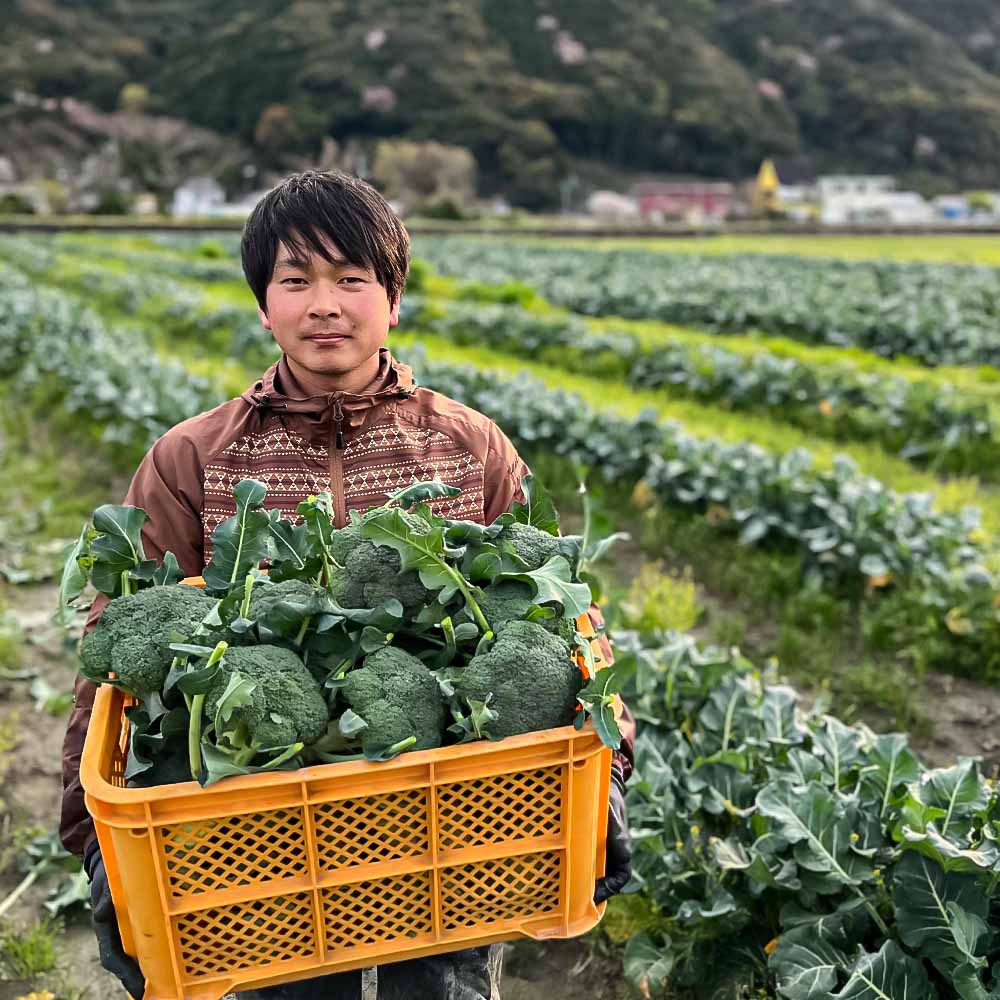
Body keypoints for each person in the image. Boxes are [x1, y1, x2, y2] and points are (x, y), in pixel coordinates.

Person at [60, 169, 634, 1000]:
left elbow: (566, 617)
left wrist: (609, 771)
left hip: (447, 805)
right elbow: (119, 641)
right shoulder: (193, 457)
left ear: (393, 301)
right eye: (296, 281)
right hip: (257, 816)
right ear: (264, 306)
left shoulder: (469, 448)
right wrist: (92, 838)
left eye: (351, 279)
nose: (324, 304)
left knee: (443, 988)